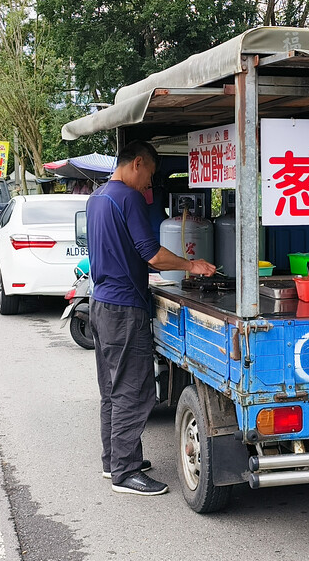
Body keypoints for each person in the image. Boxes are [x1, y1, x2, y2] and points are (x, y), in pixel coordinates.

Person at [87, 140, 215, 496]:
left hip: (100, 303)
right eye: (149, 177)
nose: (148, 186)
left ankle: (114, 460)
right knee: (135, 391)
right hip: (124, 309)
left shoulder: (96, 198)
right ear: (138, 163)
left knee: (112, 390)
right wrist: (193, 264)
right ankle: (125, 473)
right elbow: (152, 256)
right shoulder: (126, 198)